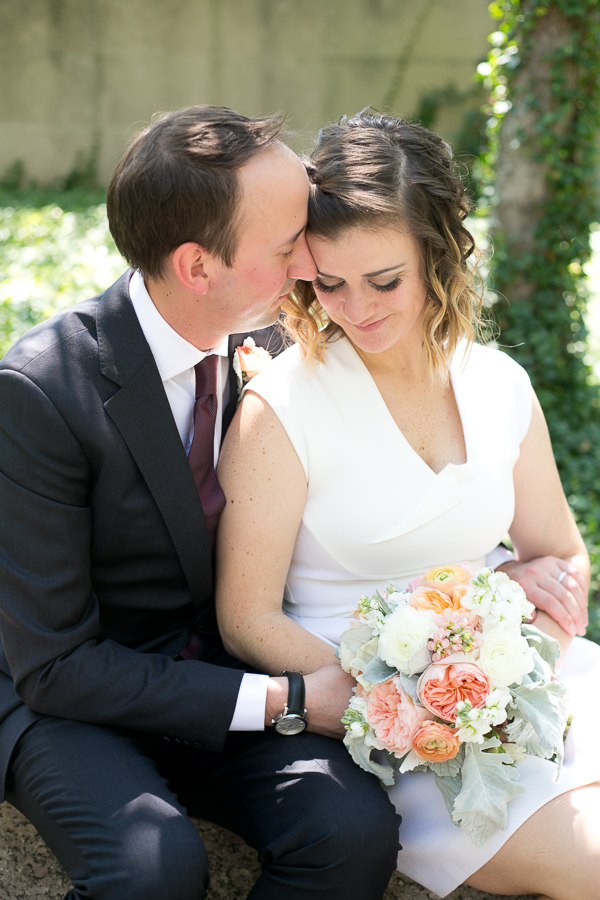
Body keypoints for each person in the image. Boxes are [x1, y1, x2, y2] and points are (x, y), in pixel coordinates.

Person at [0, 106, 402, 900]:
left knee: (351, 835)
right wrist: (285, 698)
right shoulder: (43, 391)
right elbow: (56, 665)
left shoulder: (282, 346)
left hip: (216, 669)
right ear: (197, 267)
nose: (310, 266)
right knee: (152, 871)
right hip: (66, 696)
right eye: (289, 246)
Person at [215, 112, 600, 900]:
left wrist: (523, 641)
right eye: (330, 283)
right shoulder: (283, 408)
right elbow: (247, 619)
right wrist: (410, 697)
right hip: (387, 723)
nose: (358, 309)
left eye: (384, 279)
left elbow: (558, 551)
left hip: (523, 682)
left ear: (439, 252)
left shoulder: (498, 384)